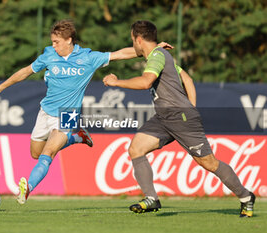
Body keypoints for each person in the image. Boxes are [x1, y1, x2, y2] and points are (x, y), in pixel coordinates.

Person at [0, 19, 173, 205]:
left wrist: (153, 48)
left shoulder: (87, 58)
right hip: (45, 111)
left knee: (48, 153)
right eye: (52, 41)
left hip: (68, 113)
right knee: (36, 154)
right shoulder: (49, 55)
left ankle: (27, 188)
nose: (53, 45)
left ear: (69, 40)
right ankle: (78, 137)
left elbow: (120, 54)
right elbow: (25, 72)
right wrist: (1, 87)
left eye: (56, 42)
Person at [103, 20, 255, 218]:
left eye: (133, 40)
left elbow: (146, 81)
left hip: (180, 117)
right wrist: (191, 106)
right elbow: (188, 80)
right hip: (165, 117)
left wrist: (117, 82)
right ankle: (151, 199)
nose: (133, 45)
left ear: (139, 39)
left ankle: (245, 197)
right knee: (136, 149)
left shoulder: (157, 56)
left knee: (209, 163)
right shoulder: (161, 55)